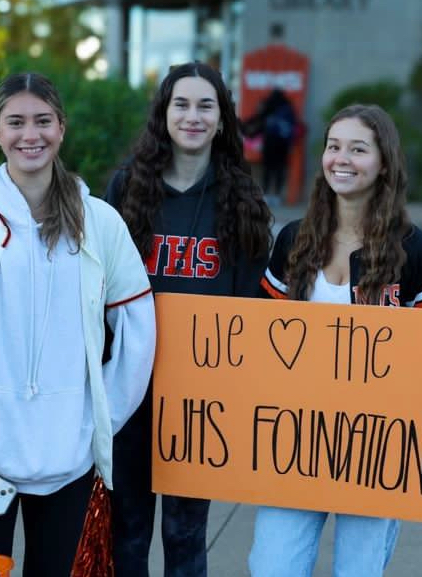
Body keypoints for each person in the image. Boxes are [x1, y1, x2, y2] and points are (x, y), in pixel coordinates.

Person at [0, 71, 156, 577]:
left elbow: (136, 322)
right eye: (17, 122)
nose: (32, 134)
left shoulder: (98, 221)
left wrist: (101, 417)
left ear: (62, 128)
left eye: (43, 121)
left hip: (68, 453)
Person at [250, 103, 422, 577]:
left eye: (358, 149)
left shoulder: (417, 252)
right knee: (273, 567)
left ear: (384, 163)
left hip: (373, 448)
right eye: (334, 147)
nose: (342, 159)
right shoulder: (293, 240)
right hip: (294, 442)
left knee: (357, 571)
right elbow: (258, 334)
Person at [104, 61, 273, 576]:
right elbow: (96, 294)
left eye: (206, 105)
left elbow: (252, 311)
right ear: (164, 112)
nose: (193, 116)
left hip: (200, 401)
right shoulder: (125, 188)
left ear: (222, 119)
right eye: (182, 104)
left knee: (184, 537)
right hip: (129, 392)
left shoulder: (242, 200)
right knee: (127, 534)